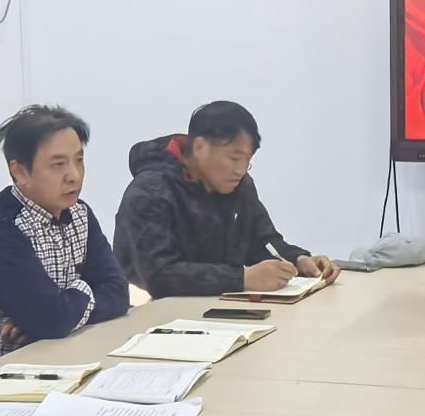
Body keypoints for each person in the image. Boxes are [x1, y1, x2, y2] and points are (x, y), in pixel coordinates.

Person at [112, 100, 338, 297]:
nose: (241, 170)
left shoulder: (241, 186)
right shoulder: (151, 190)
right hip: (153, 316)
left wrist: (299, 260)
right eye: (234, 158)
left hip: (222, 309)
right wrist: (243, 278)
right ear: (200, 147)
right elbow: (160, 276)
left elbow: (263, 242)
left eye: (247, 160)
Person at [0, 104, 129, 351]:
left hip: (62, 351)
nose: (74, 175)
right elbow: (51, 320)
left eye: (79, 160)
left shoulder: (80, 213)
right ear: (19, 172)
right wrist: (62, 309)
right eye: (58, 164)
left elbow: (118, 292)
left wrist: (55, 315)